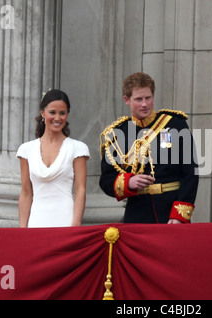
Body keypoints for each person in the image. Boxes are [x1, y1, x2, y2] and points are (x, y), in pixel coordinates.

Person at [99, 72, 199, 224]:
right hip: (137, 213)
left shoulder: (174, 124)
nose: (145, 104)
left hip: (170, 214)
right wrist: (129, 182)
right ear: (127, 100)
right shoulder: (117, 134)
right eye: (139, 99)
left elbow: (191, 172)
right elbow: (106, 179)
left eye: (148, 98)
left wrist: (180, 213)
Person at [17, 89, 90, 227]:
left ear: (67, 114)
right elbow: (26, 193)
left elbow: (80, 190)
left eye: (62, 113)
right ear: (42, 112)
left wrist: (75, 224)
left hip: (66, 220)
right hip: (36, 222)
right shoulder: (26, 150)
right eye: (52, 112)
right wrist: (22, 229)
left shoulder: (78, 148)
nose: (57, 118)